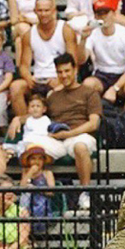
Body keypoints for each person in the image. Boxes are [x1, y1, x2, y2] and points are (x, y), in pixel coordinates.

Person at [42, 54, 100, 208]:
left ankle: (84, 192)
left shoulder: (89, 92)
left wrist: (69, 134)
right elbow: (39, 114)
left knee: (80, 146)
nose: (64, 75)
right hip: (57, 138)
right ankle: (39, 196)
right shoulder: (53, 96)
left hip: (81, 135)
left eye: (67, 71)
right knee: (33, 148)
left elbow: (93, 123)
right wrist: (18, 120)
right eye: (60, 72)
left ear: (75, 70)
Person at [10, 0, 78, 118]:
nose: (43, 14)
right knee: (16, 87)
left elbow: (73, 62)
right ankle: (27, 124)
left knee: (58, 91)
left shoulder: (65, 29)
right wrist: (28, 78)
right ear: (35, 11)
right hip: (38, 79)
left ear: (53, 11)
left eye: (46, 10)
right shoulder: (29, 34)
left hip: (60, 77)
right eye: (40, 10)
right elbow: (24, 66)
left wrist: (61, 81)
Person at [82, 0, 125, 115]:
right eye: (99, 14)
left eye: (106, 13)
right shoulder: (92, 34)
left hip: (122, 74)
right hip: (102, 74)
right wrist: (83, 39)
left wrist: (115, 88)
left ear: (113, 14)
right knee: (87, 85)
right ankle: (97, 123)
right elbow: (81, 60)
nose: (103, 17)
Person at [6, 0, 50, 65]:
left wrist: (28, 19)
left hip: (41, 24)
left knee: (19, 42)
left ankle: (21, 71)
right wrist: (25, 21)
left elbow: (51, 16)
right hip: (20, 27)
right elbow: (14, 20)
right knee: (23, 27)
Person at [17, 141, 51, 221]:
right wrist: (30, 172)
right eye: (33, 158)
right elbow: (22, 186)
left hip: (42, 201)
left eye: (40, 159)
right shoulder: (26, 172)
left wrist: (37, 189)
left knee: (41, 208)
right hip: (27, 202)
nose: (37, 161)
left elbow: (51, 192)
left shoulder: (47, 173)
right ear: (28, 161)